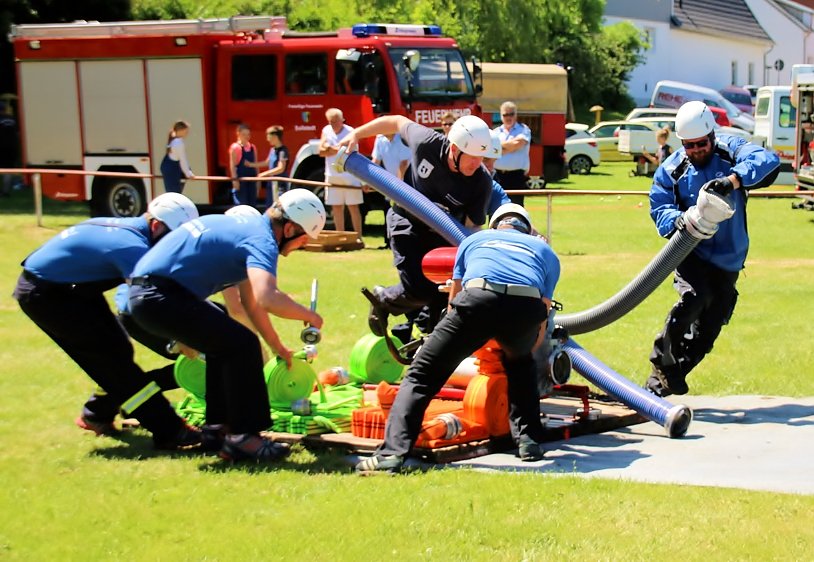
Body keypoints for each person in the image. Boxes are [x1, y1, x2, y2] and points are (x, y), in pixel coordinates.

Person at [356, 204, 560, 473]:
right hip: (525, 308)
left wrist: (455, 337)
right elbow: (543, 312)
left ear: (495, 225)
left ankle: (390, 456)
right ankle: (529, 442)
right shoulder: (545, 251)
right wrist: (524, 345)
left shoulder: (474, 240)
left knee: (421, 375)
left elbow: (454, 299)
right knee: (521, 365)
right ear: (528, 229)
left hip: (478, 299)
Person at [127, 189, 326, 462]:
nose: (298, 248)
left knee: (227, 346)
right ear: (289, 228)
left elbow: (251, 302)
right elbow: (267, 297)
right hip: (160, 295)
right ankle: (244, 438)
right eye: (302, 240)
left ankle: (217, 430)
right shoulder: (262, 239)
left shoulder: (246, 228)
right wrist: (311, 316)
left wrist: (276, 346)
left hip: (147, 293)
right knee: (242, 345)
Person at [13, 193, 202, 449]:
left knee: (118, 351)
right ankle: (171, 431)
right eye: (172, 238)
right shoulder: (131, 246)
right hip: (47, 296)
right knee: (116, 366)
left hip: (72, 290)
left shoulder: (130, 231)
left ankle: (96, 414)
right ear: (156, 225)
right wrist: (179, 338)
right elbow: (145, 300)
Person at [645, 101, 780, 397]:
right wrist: (682, 219)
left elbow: (767, 160)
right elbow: (660, 208)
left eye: (701, 143)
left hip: (730, 258)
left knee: (709, 329)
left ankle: (662, 384)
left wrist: (732, 181)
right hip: (692, 251)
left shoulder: (731, 150)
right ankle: (661, 360)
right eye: (689, 145)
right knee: (695, 298)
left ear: (712, 136)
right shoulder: (672, 169)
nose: (696, 150)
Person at [337, 114, 493, 342]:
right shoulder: (427, 142)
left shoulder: (481, 182)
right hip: (405, 222)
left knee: (444, 298)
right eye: (471, 157)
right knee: (419, 289)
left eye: (481, 157)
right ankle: (383, 299)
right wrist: (355, 134)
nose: (476, 164)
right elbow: (396, 121)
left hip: (443, 236)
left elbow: (470, 230)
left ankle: (425, 350)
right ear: (454, 148)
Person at [320, 108, 364, 236]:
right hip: (332, 174)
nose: (333, 124)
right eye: (330, 122)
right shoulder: (326, 130)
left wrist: (331, 149)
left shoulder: (350, 131)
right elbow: (321, 150)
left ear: (342, 120)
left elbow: (349, 151)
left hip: (349, 174)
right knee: (336, 207)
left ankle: (358, 237)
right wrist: (334, 149)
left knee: (353, 206)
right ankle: (340, 235)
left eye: (335, 121)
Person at [371, 131, 411, 249]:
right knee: (388, 211)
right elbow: (375, 161)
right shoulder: (379, 139)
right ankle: (388, 242)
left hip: (406, 182)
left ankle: (403, 241)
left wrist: (398, 183)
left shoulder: (402, 139)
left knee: (404, 213)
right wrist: (368, 181)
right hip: (390, 183)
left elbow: (404, 163)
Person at [493, 101, 532, 205]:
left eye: (511, 114)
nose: (508, 117)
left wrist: (500, 147)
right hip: (497, 175)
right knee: (495, 207)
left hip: (516, 176)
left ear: (516, 115)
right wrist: (510, 146)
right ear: (501, 116)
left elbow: (518, 144)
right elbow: (492, 150)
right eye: (505, 114)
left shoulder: (524, 129)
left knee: (516, 207)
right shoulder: (495, 132)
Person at [257, 125, 290, 209]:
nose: (268, 139)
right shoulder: (272, 150)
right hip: (271, 184)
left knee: (278, 207)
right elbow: (267, 162)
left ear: (275, 137)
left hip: (279, 185)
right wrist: (250, 164)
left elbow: (281, 168)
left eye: (269, 137)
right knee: (269, 207)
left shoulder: (283, 151)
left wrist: (264, 174)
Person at [160, 120, 194, 194]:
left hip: (169, 166)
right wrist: (189, 174)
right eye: (186, 131)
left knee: (173, 192)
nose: (187, 133)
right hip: (172, 169)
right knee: (174, 194)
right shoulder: (178, 143)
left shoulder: (175, 140)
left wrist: (188, 172)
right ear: (181, 130)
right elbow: (183, 160)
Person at [228, 123, 258, 206]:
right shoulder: (235, 147)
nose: (247, 136)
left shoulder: (252, 147)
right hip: (241, 181)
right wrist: (235, 180)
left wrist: (258, 180)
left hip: (252, 180)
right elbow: (232, 165)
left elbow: (255, 164)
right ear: (238, 134)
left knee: (252, 205)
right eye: (244, 134)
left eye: (248, 134)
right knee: (241, 205)